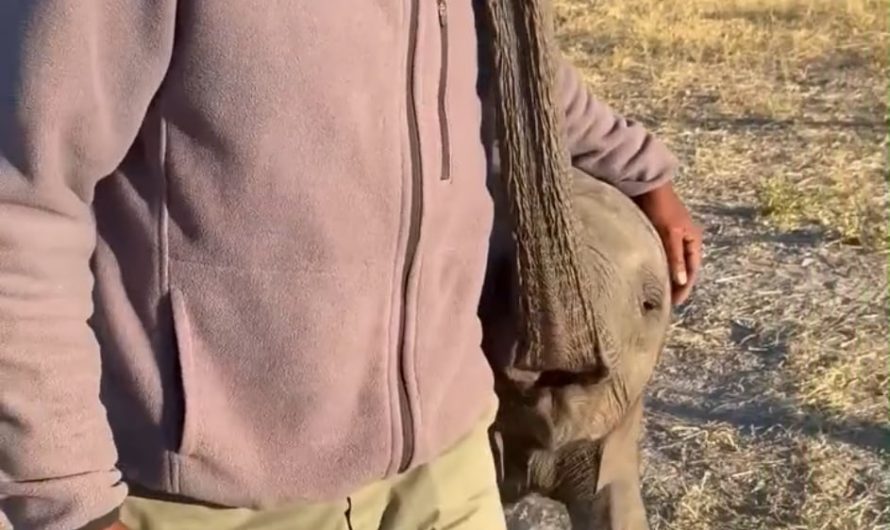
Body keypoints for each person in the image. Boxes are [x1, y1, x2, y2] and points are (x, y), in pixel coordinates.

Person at [0, 1, 701, 529]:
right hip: (210, 499)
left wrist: (644, 175)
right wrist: (68, 498)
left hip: (447, 468)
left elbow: (514, 67)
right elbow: (21, 202)